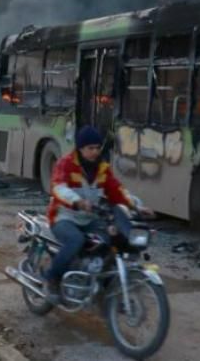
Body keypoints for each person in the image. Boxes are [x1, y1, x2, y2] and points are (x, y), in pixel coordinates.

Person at [43, 125, 154, 303]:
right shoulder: (66, 163)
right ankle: (52, 279)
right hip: (63, 216)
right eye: (90, 148)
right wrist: (77, 201)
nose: (95, 152)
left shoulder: (102, 168)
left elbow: (117, 191)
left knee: (111, 240)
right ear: (80, 148)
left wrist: (137, 207)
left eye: (97, 147)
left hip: (90, 217)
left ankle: (101, 283)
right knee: (76, 240)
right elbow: (58, 187)